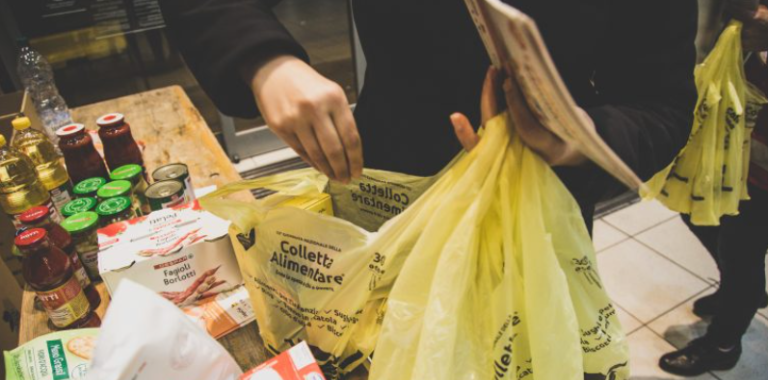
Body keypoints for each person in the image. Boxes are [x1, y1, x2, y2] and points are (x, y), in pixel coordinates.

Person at [158, 0, 698, 232]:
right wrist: (265, 62)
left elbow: (663, 106)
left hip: (542, 211)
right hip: (387, 184)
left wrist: (576, 136)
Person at [660, 2, 768, 376]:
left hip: (761, 164)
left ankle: (723, 344)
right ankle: (743, 291)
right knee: (696, 210)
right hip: (744, 129)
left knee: (742, 247)